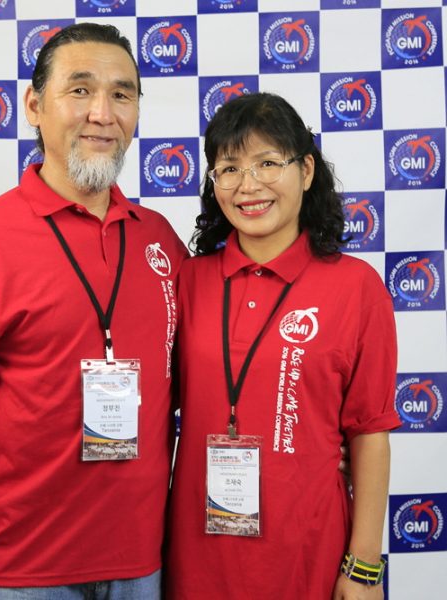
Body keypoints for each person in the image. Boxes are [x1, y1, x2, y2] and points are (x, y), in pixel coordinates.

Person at [0, 23, 186, 600]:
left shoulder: (160, 240)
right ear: (35, 106)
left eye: (122, 94)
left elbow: (208, 376)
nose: (102, 114)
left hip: (143, 564)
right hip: (17, 572)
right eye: (80, 90)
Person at [165, 92, 401, 599]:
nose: (248, 185)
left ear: (307, 170)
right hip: (196, 557)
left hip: (308, 554)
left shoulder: (356, 288)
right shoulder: (187, 281)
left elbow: (370, 433)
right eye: (229, 168)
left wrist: (363, 568)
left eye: (268, 163)